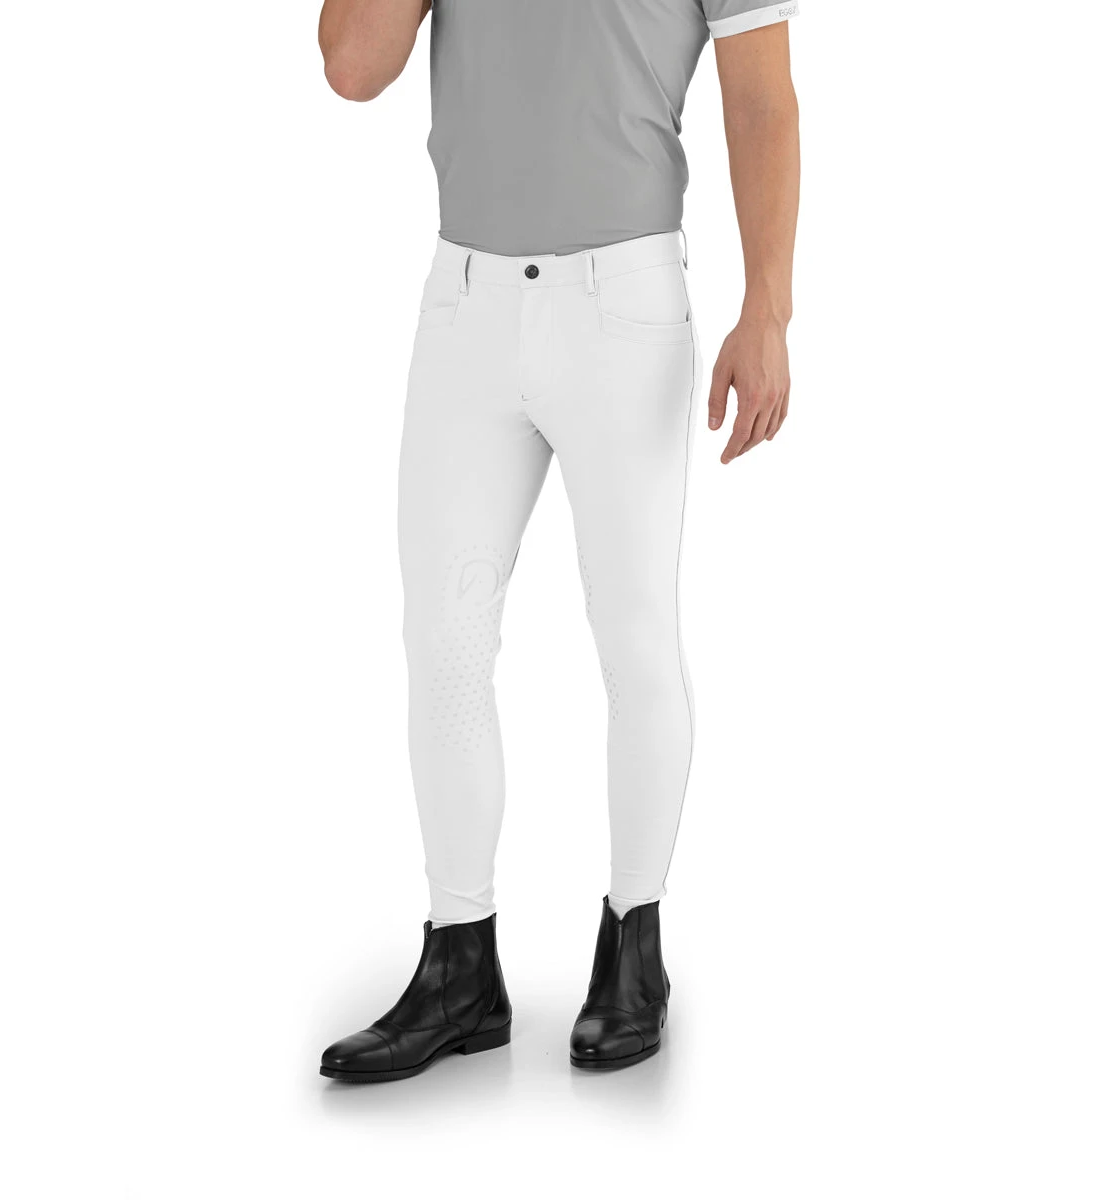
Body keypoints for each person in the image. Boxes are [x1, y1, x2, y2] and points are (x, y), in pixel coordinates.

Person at [316, 0, 800, 1082]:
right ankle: (459, 965)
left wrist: (767, 306)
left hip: (621, 304)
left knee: (634, 633)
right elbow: (352, 66)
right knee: (442, 641)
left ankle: (635, 949)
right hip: (466, 304)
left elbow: (764, 98)